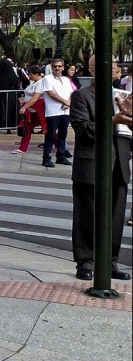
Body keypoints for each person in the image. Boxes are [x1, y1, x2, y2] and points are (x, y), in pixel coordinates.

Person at [69, 56, 131, 281]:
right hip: (91, 163)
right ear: (92, 69)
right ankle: (86, 261)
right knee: (87, 215)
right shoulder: (82, 96)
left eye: (115, 67)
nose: (112, 71)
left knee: (115, 217)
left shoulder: (122, 96)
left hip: (119, 164)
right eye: (105, 67)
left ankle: (110, 262)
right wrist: (113, 120)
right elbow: (83, 128)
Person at [38, 58, 74, 168]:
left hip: (65, 111)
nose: (57, 68)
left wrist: (68, 103)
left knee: (63, 135)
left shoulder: (66, 80)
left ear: (63, 67)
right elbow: (50, 93)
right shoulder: (47, 79)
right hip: (53, 112)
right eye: (55, 66)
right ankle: (46, 158)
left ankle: (61, 156)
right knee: (50, 135)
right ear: (51, 67)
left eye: (59, 66)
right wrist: (65, 102)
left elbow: (71, 93)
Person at [12, 64, 46, 154]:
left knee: (47, 128)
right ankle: (22, 148)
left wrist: (24, 107)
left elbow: (35, 98)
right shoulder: (34, 83)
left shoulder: (40, 83)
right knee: (27, 128)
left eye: (31, 74)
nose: (29, 76)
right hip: (31, 110)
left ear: (36, 74)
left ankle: (60, 145)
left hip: (37, 110)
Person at [0, 57, 20, 133]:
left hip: (3, 95)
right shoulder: (12, 74)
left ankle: (6, 125)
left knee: (4, 110)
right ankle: (10, 126)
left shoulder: (0, 72)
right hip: (12, 96)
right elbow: (16, 84)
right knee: (11, 111)